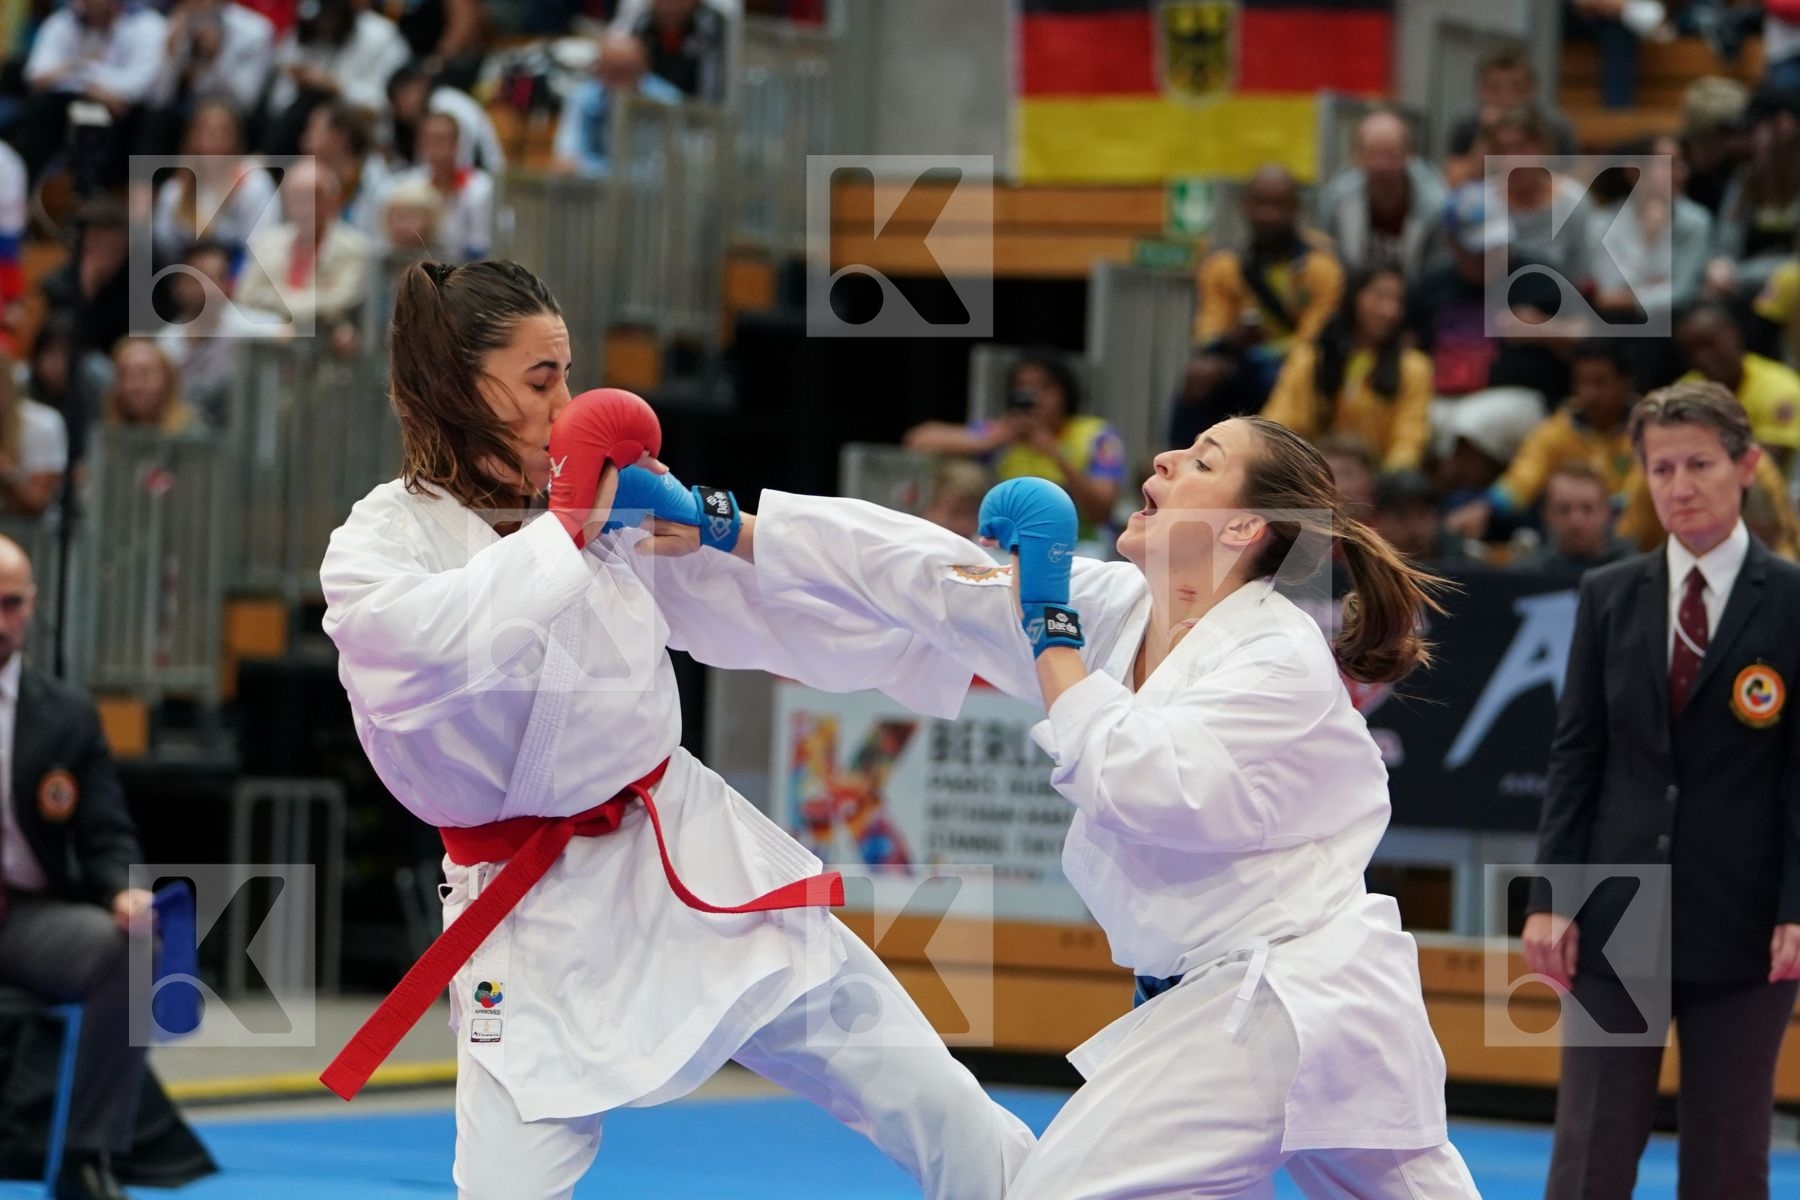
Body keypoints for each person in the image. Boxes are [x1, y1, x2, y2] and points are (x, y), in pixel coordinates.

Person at [316, 259, 1034, 1199]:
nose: (567, 407)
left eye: (569, 377)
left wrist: (714, 526)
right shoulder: (379, 545)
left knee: (931, 1098)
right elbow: (425, 653)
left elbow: (769, 609)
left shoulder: (606, 509)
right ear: (456, 387)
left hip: (690, 859)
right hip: (531, 916)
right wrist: (565, 531)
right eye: (541, 381)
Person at [727, 417, 1479, 1197]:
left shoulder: (1276, 658)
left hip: (1276, 996)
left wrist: (1049, 631)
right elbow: (934, 576)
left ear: (1243, 528)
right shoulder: (1128, 606)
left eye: (1203, 462)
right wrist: (734, 529)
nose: (1167, 458)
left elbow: (1132, 781)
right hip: (1258, 997)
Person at [1527, 381, 1800, 1200]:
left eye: (1699, 465)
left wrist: (1797, 906)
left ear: (1746, 466)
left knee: (1728, 1156)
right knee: (1591, 1150)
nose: (1680, 486)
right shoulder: (1609, 594)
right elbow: (1577, 756)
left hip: (1747, 918)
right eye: (1661, 468)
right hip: (1616, 909)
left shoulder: (1792, 601)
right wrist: (1552, 897)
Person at [0, 534, 151, 1200]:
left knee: (134, 950)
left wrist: (124, 891)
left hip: (23, 916)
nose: (0, 620)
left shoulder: (64, 715)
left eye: (10, 604)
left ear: (32, 605)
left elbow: (106, 829)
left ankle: (85, 1156)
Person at [1175, 165, 1344, 447]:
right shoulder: (1223, 265)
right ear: (1245, 206)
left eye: (1279, 205)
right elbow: (1208, 333)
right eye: (1261, 204)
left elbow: (1314, 335)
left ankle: (1271, 457)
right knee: (1200, 375)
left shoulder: (1322, 265)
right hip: (1241, 362)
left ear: (1296, 208)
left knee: (1293, 368)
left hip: (1301, 364)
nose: (1269, 214)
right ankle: (1182, 457)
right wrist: (1233, 339)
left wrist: (1265, 350)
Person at [903, 353, 1125, 545]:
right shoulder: (1006, 433)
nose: (1034, 397)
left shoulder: (1097, 436)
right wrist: (989, 442)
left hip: (1082, 546)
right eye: (1023, 388)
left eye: (1044, 388)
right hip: (1010, 546)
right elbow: (919, 440)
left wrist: (1054, 453)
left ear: (1065, 392)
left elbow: (1102, 510)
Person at [1445, 338, 1638, 543]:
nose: (1588, 394)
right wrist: (1486, 507)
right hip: (1569, 542)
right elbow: (1523, 477)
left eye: (1599, 383)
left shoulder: (1648, 430)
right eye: (1581, 382)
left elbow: (1640, 495)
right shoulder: (1556, 430)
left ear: (1626, 383)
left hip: (1633, 542)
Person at [1261, 264, 1433, 473]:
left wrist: (1389, 479)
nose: (1389, 310)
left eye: (1398, 301)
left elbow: (1410, 437)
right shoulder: (1311, 357)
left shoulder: (1414, 368)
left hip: (1376, 479)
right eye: (1379, 296)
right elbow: (1281, 419)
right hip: (1311, 474)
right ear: (1353, 296)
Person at [1313, 112, 1447, 278]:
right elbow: (1324, 258)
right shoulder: (1336, 198)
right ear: (1356, 156)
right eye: (1372, 155)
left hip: (1416, 290)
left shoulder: (1436, 205)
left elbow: (1439, 269)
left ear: (1408, 155)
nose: (1382, 166)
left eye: (1391, 155)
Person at [1675, 301, 1800, 468]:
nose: (1701, 358)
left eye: (1709, 344)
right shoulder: (1684, 393)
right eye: (1691, 351)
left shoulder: (1780, 387)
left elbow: (1765, 467)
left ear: (1733, 335)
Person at [552, 32, 683, 179]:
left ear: (645, 68)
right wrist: (618, 176)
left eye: (626, 71)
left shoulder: (668, 101)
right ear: (598, 70)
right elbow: (566, 161)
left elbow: (667, 170)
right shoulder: (582, 98)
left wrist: (596, 171)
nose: (620, 84)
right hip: (596, 191)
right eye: (612, 72)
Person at [1508, 463, 1635, 576]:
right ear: (1547, 515)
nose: (1576, 522)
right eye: (1564, 509)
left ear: (1607, 512)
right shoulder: (1526, 576)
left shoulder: (1634, 574)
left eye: (1587, 509)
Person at [103, 339, 197, 433]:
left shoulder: (192, 432)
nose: (136, 384)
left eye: (145, 373)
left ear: (167, 379)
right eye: (125, 375)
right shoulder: (108, 429)